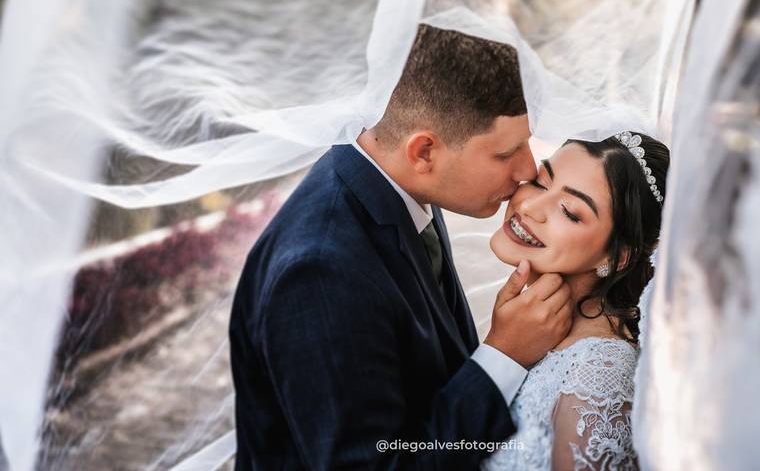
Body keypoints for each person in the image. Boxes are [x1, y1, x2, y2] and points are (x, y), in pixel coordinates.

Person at [228, 24, 575, 469]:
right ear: (424, 151)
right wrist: (503, 355)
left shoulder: (404, 189)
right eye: (506, 154)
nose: (527, 170)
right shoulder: (321, 269)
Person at [483, 131, 668, 471]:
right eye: (540, 183)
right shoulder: (526, 329)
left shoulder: (598, 377)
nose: (530, 207)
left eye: (569, 211)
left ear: (618, 257)